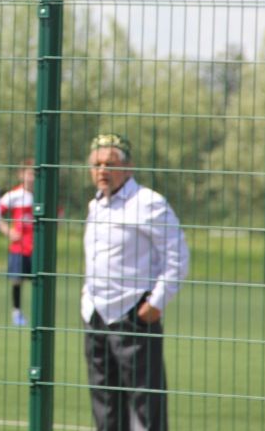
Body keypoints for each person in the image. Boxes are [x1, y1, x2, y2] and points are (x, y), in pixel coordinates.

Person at [81, 132, 189, 431]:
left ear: (128, 168)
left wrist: (156, 303)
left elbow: (178, 256)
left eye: (109, 164)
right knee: (105, 407)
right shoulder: (96, 205)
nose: (102, 170)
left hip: (134, 316)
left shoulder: (149, 203)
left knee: (146, 407)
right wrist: (85, 300)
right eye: (97, 164)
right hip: (96, 317)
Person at [0, 159, 35, 326]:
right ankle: (17, 312)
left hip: (38, 249)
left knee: (39, 281)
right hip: (19, 248)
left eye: (35, 173)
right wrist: (8, 231)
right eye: (29, 173)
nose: (32, 177)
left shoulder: (43, 195)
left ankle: (38, 313)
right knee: (17, 281)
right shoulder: (14, 195)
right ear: (21, 175)